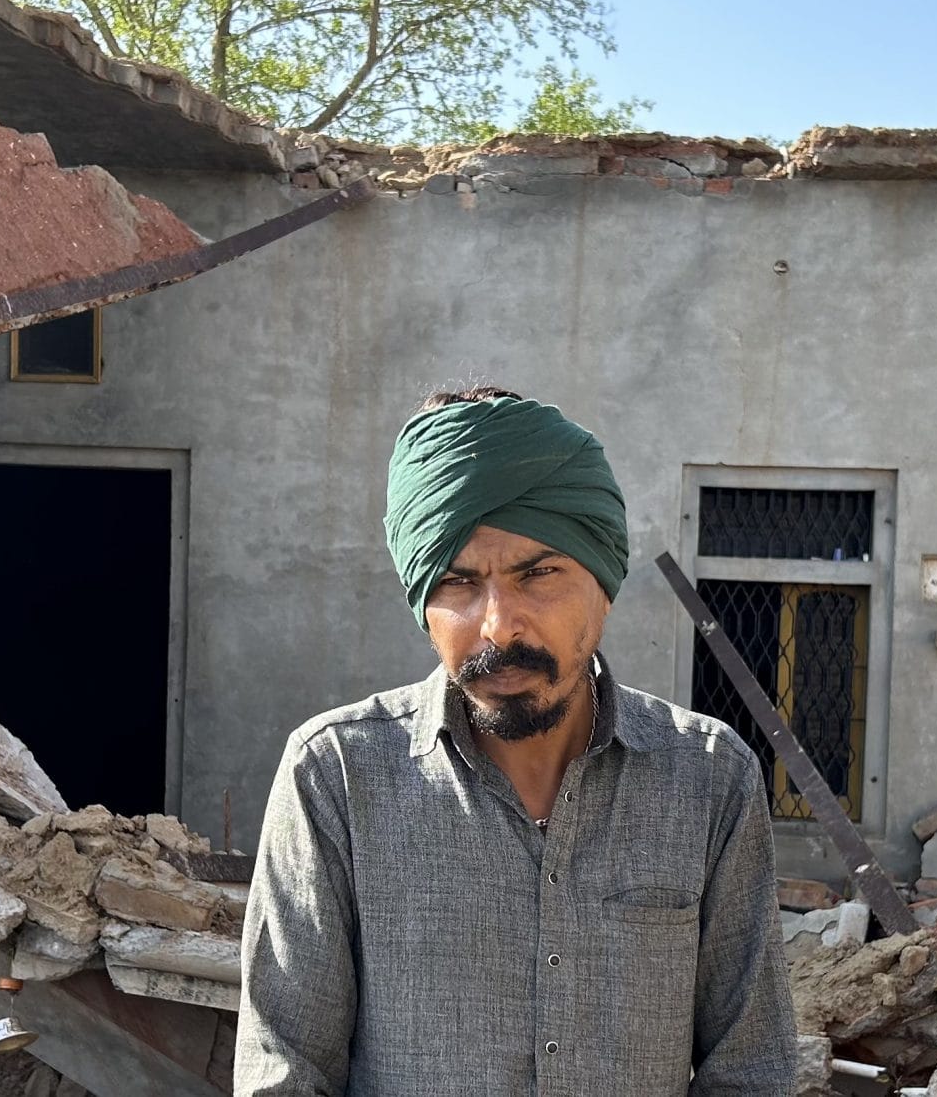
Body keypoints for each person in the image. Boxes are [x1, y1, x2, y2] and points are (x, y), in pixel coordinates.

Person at [234, 387, 796, 1095]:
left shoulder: (710, 780)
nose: (500, 627)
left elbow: (751, 1070)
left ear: (604, 583)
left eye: (540, 575)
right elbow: (284, 1070)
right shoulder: (338, 776)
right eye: (459, 582)